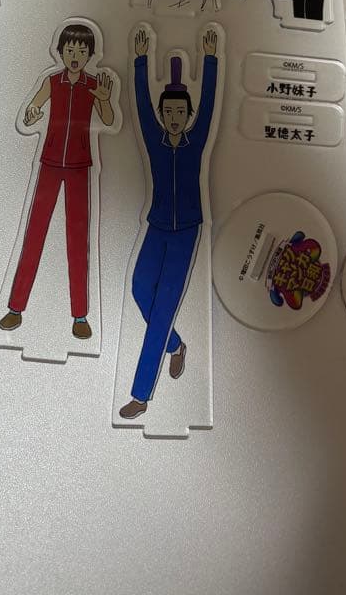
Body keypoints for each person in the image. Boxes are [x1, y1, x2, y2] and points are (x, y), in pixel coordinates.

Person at [119, 27, 218, 421]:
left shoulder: (196, 143)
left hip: (186, 232)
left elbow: (209, 104)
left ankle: (141, 395)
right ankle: (175, 345)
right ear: (162, 116)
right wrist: (141, 61)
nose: (174, 118)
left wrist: (210, 60)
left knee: (162, 309)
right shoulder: (154, 141)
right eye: (169, 113)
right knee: (140, 289)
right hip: (157, 226)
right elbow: (142, 105)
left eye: (181, 112)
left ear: (188, 115)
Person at [0, 23, 115, 340]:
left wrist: (105, 99)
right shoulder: (52, 81)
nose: (75, 55)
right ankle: (15, 308)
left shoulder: (94, 84)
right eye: (70, 49)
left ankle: (80, 316)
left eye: (81, 50)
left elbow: (108, 119)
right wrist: (31, 115)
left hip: (79, 167)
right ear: (60, 51)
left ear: (90, 55)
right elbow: (33, 108)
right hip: (50, 163)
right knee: (34, 235)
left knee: (78, 241)